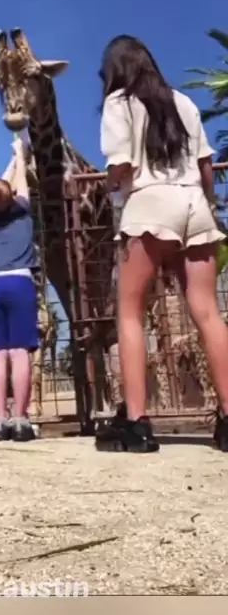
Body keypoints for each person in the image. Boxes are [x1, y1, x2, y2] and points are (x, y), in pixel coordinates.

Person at [96, 34, 228, 454]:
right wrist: (209, 206)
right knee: (207, 312)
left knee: (130, 313)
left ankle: (136, 424)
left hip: (150, 204)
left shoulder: (119, 102)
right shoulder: (183, 102)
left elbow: (121, 165)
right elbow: (206, 166)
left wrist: (109, 185)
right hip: (195, 204)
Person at [0, 138, 39, 442]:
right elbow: (20, 184)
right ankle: (21, 419)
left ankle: (0, 419)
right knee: (20, 351)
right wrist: (19, 156)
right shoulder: (23, 211)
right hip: (20, 282)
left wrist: (12, 160)